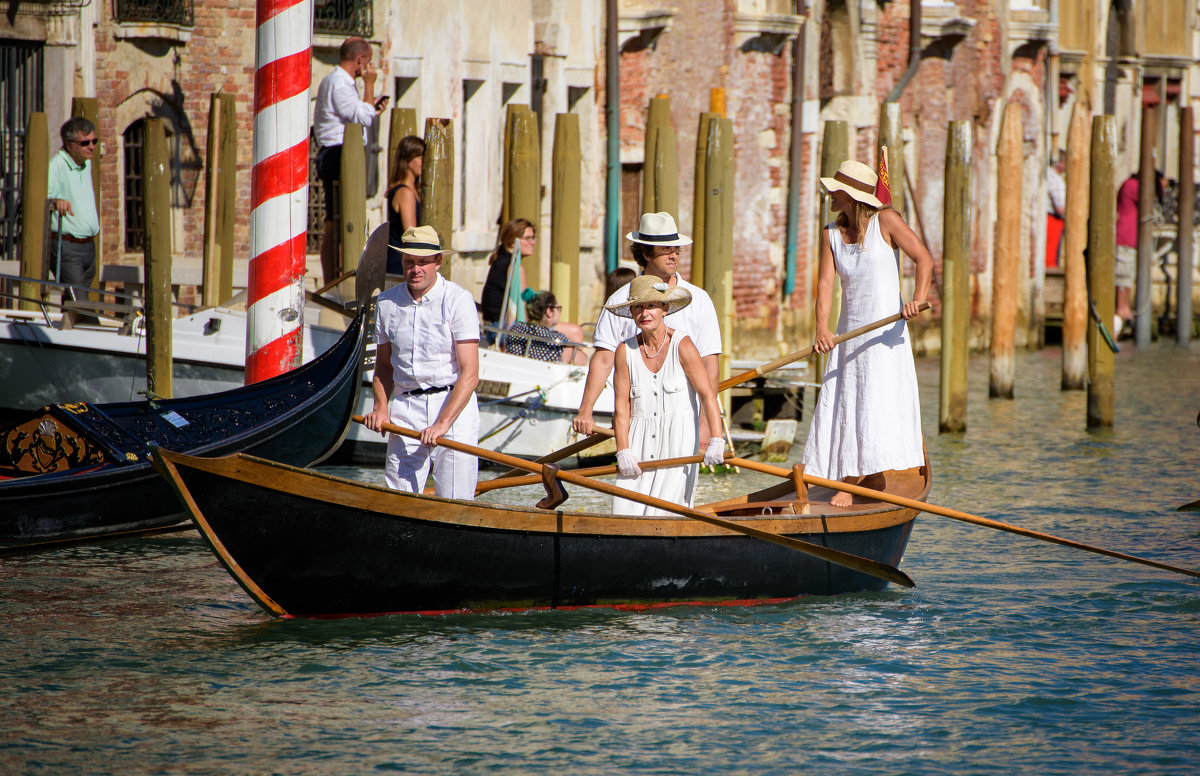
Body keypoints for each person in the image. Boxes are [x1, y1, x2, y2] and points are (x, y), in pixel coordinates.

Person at [802, 159, 932, 508]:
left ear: (850, 196)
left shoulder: (885, 222)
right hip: (849, 334)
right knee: (848, 401)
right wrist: (822, 329)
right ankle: (871, 474)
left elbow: (924, 259)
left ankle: (849, 482)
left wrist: (917, 300)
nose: (831, 196)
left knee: (874, 400)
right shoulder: (831, 233)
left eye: (836, 192)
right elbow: (826, 285)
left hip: (886, 333)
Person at [573, 212, 722, 447]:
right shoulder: (619, 301)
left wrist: (706, 425)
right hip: (634, 422)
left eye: (675, 248)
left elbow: (709, 363)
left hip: (683, 421)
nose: (673, 255)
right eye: (665, 250)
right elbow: (603, 360)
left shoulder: (699, 300)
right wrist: (585, 410)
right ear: (645, 253)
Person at [363, 225, 480, 499]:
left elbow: (470, 373)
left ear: (437, 262)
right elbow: (383, 366)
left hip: (453, 405)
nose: (415, 269)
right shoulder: (387, 303)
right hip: (406, 407)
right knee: (398, 500)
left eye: (423, 262)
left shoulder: (458, 300)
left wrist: (442, 424)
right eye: (409, 262)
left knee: (455, 502)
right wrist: (381, 407)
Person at [607, 276, 725, 516]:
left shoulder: (683, 345)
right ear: (631, 312)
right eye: (638, 307)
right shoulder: (624, 351)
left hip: (678, 444)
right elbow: (622, 408)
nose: (644, 313)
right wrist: (623, 451)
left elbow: (707, 396)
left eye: (651, 306)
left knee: (669, 513)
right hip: (637, 443)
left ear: (664, 309)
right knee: (625, 511)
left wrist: (716, 439)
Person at [313, 37, 388, 286]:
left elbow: (359, 113)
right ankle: (335, 280)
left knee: (340, 219)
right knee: (338, 221)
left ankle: (338, 277)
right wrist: (369, 85)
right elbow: (361, 118)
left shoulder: (337, 82)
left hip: (341, 152)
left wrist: (371, 105)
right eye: (367, 61)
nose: (368, 67)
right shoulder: (341, 84)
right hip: (337, 155)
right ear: (360, 60)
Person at [47, 116, 100, 327]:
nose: (92, 147)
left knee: (74, 303)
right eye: (85, 143)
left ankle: (67, 342)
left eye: (94, 141)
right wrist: (55, 201)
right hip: (67, 246)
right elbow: (36, 199)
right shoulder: (56, 166)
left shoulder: (86, 164)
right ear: (69, 145)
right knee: (81, 305)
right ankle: (97, 345)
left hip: (88, 246)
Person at [480, 219, 535, 344]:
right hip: (504, 330)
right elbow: (522, 309)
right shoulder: (515, 267)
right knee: (575, 332)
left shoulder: (499, 262)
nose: (532, 242)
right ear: (512, 241)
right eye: (527, 238)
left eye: (533, 238)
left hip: (491, 328)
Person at [504, 289, 587, 364]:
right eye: (558, 308)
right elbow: (580, 359)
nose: (560, 313)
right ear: (549, 312)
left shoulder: (516, 329)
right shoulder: (556, 340)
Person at [385, 135, 425, 273]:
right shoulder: (405, 192)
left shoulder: (415, 190)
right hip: (402, 264)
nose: (424, 162)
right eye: (420, 158)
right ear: (408, 160)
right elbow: (411, 234)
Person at [1046, 155, 1066, 269]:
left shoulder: (1047, 175)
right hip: (1052, 219)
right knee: (1051, 255)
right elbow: (1060, 207)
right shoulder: (1055, 179)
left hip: (1048, 218)